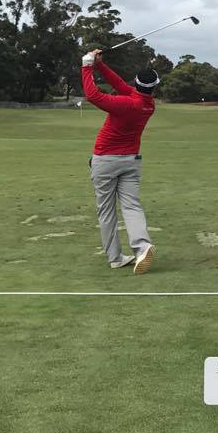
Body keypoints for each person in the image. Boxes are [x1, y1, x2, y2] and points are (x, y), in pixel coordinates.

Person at [82, 49, 158, 275]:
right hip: (130, 162)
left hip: (105, 160)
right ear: (154, 87)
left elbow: (93, 96)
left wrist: (86, 67)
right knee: (132, 205)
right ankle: (142, 247)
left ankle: (115, 258)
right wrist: (100, 66)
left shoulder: (127, 103)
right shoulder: (147, 104)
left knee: (106, 211)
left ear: (136, 83)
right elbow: (119, 85)